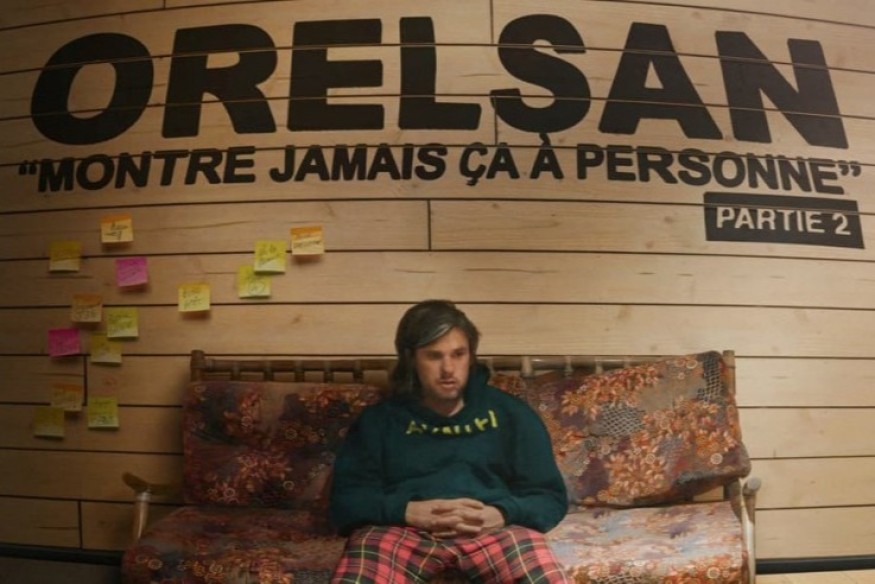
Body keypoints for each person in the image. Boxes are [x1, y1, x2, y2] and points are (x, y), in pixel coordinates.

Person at [329, 300, 570, 583]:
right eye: (434, 356)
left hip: (494, 529)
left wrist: (502, 513)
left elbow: (550, 498)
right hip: (400, 529)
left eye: (458, 354)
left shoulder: (511, 414)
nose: (448, 369)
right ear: (411, 359)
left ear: (471, 356)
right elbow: (345, 502)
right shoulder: (379, 420)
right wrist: (406, 511)